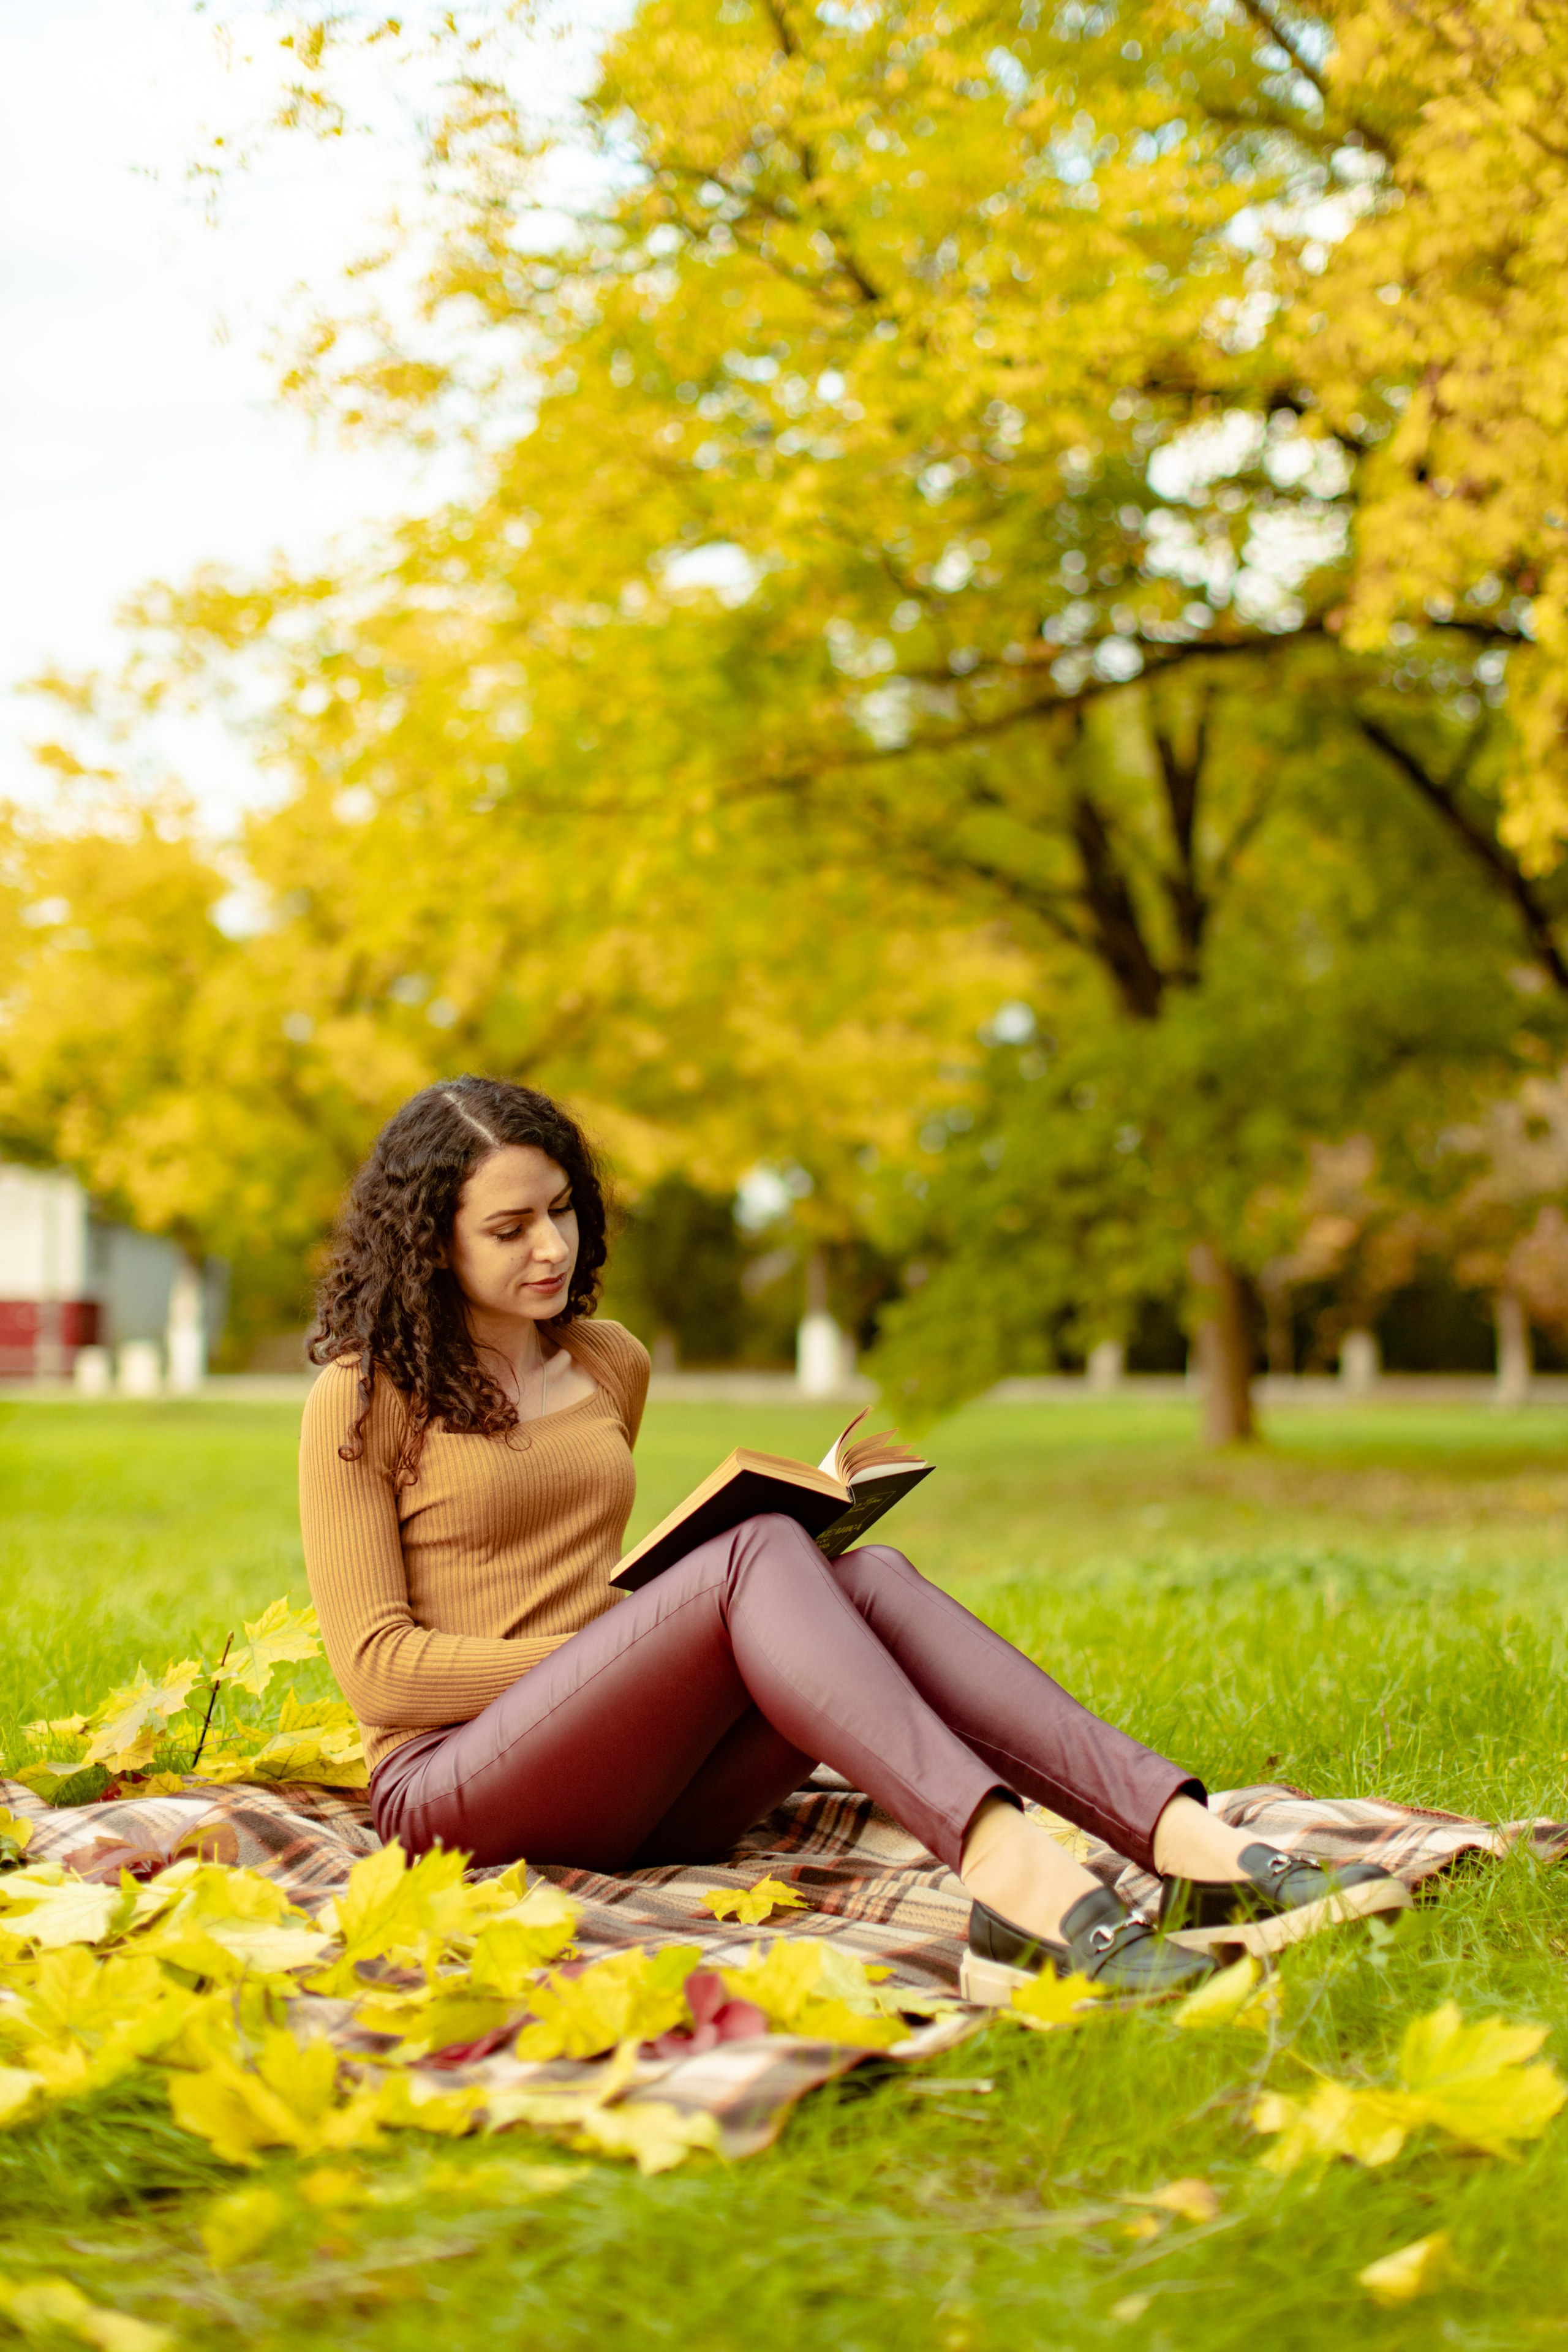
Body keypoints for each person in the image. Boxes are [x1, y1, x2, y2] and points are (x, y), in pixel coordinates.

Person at [300, 1077, 1405, 2003]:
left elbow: (571, 1574)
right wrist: (633, 1647)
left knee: (859, 1571)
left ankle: (1183, 1841)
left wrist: (644, 1641)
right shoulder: (362, 1396)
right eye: (507, 1229)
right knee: (754, 1561)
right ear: (429, 1245)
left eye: (562, 1211)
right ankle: (1013, 1875)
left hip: (637, 1790)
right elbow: (379, 1674)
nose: (550, 1246)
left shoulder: (606, 1361)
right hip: (454, 1793)